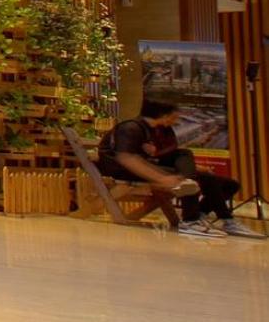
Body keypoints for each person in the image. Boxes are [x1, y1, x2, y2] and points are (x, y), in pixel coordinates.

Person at [97, 97, 262, 239]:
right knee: (186, 179)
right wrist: (161, 178)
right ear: (163, 115)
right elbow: (127, 158)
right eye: (175, 115)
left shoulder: (160, 130)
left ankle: (204, 215)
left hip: (149, 166)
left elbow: (169, 155)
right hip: (123, 169)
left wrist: (195, 168)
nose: (177, 120)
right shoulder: (131, 128)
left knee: (229, 184)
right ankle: (193, 221)